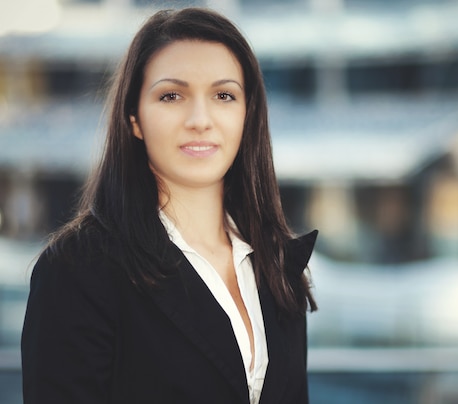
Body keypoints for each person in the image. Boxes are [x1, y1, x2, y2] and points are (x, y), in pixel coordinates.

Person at [21, 7, 317, 404]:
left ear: (248, 115)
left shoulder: (277, 264)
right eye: (171, 96)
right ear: (134, 119)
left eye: (223, 95)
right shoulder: (77, 270)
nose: (200, 119)